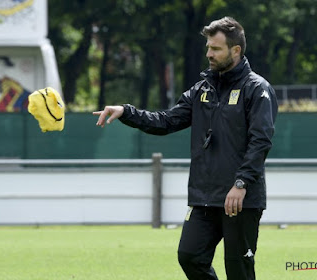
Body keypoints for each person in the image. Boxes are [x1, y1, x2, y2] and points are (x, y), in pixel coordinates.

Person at [93, 16, 278, 280]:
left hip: (240, 198)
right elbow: (166, 121)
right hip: (204, 196)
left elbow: (260, 141)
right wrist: (126, 112)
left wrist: (241, 183)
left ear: (235, 50)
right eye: (208, 47)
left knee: (239, 270)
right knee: (190, 256)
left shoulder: (257, 89)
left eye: (215, 49)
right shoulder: (202, 89)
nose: (209, 54)